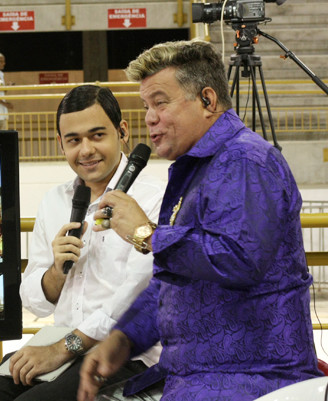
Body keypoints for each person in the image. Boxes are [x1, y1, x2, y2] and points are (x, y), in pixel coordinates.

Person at [78, 40, 322, 401]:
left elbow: (239, 260)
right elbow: (177, 281)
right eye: (147, 106)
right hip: (200, 376)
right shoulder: (198, 169)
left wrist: (148, 234)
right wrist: (124, 338)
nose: (149, 117)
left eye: (161, 102)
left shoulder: (246, 161)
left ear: (207, 100)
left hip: (250, 380)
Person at [0, 84, 166, 401]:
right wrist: (56, 271)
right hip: (61, 346)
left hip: (128, 353)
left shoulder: (153, 199)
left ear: (122, 131)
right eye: (73, 140)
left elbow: (135, 297)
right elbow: (35, 302)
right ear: (60, 143)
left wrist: (62, 348)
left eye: (97, 135)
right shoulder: (55, 200)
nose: (85, 150)